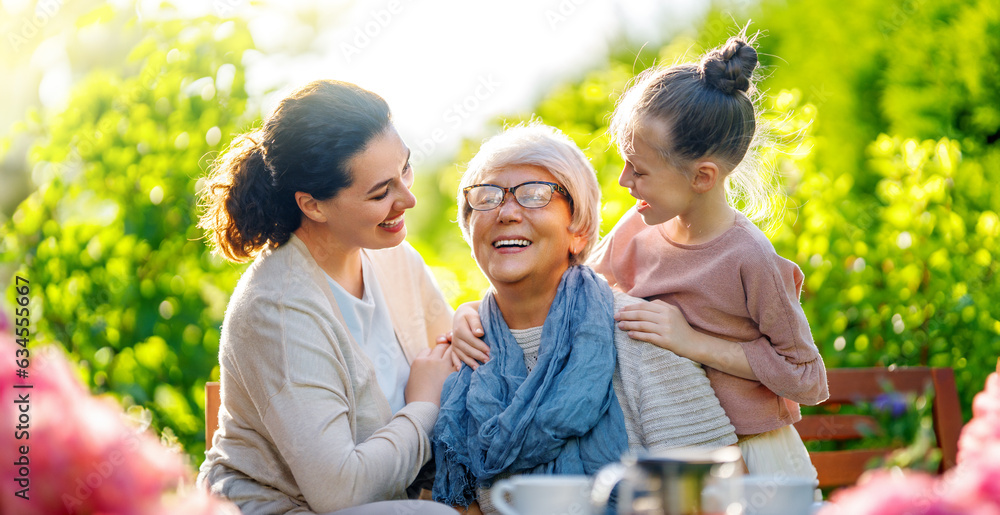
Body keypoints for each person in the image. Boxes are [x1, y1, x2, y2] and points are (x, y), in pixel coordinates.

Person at [450, 36, 829, 484]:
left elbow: (807, 378)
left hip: (757, 459)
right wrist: (474, 313)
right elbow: (569, 289)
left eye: (640, 170)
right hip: (677, 449)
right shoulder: (639, 226)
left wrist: (693, 343)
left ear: (702, 176)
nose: (625, 180)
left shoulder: (750, 258)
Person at [432, 124, 738, 514]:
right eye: (487, 197)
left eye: (534, 195)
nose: (507, 212)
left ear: (578, 229)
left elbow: (715, 491)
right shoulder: (464, 354)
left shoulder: (638, 331)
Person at [196, 80, 457, 515]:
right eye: (381, 193)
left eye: (405, 170)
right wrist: (424, 405)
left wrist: (469, 320)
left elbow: (450, 355)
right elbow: (343, 491)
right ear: (313, 205)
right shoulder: (277, 310)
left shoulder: (392, 258)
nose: (407, 199)